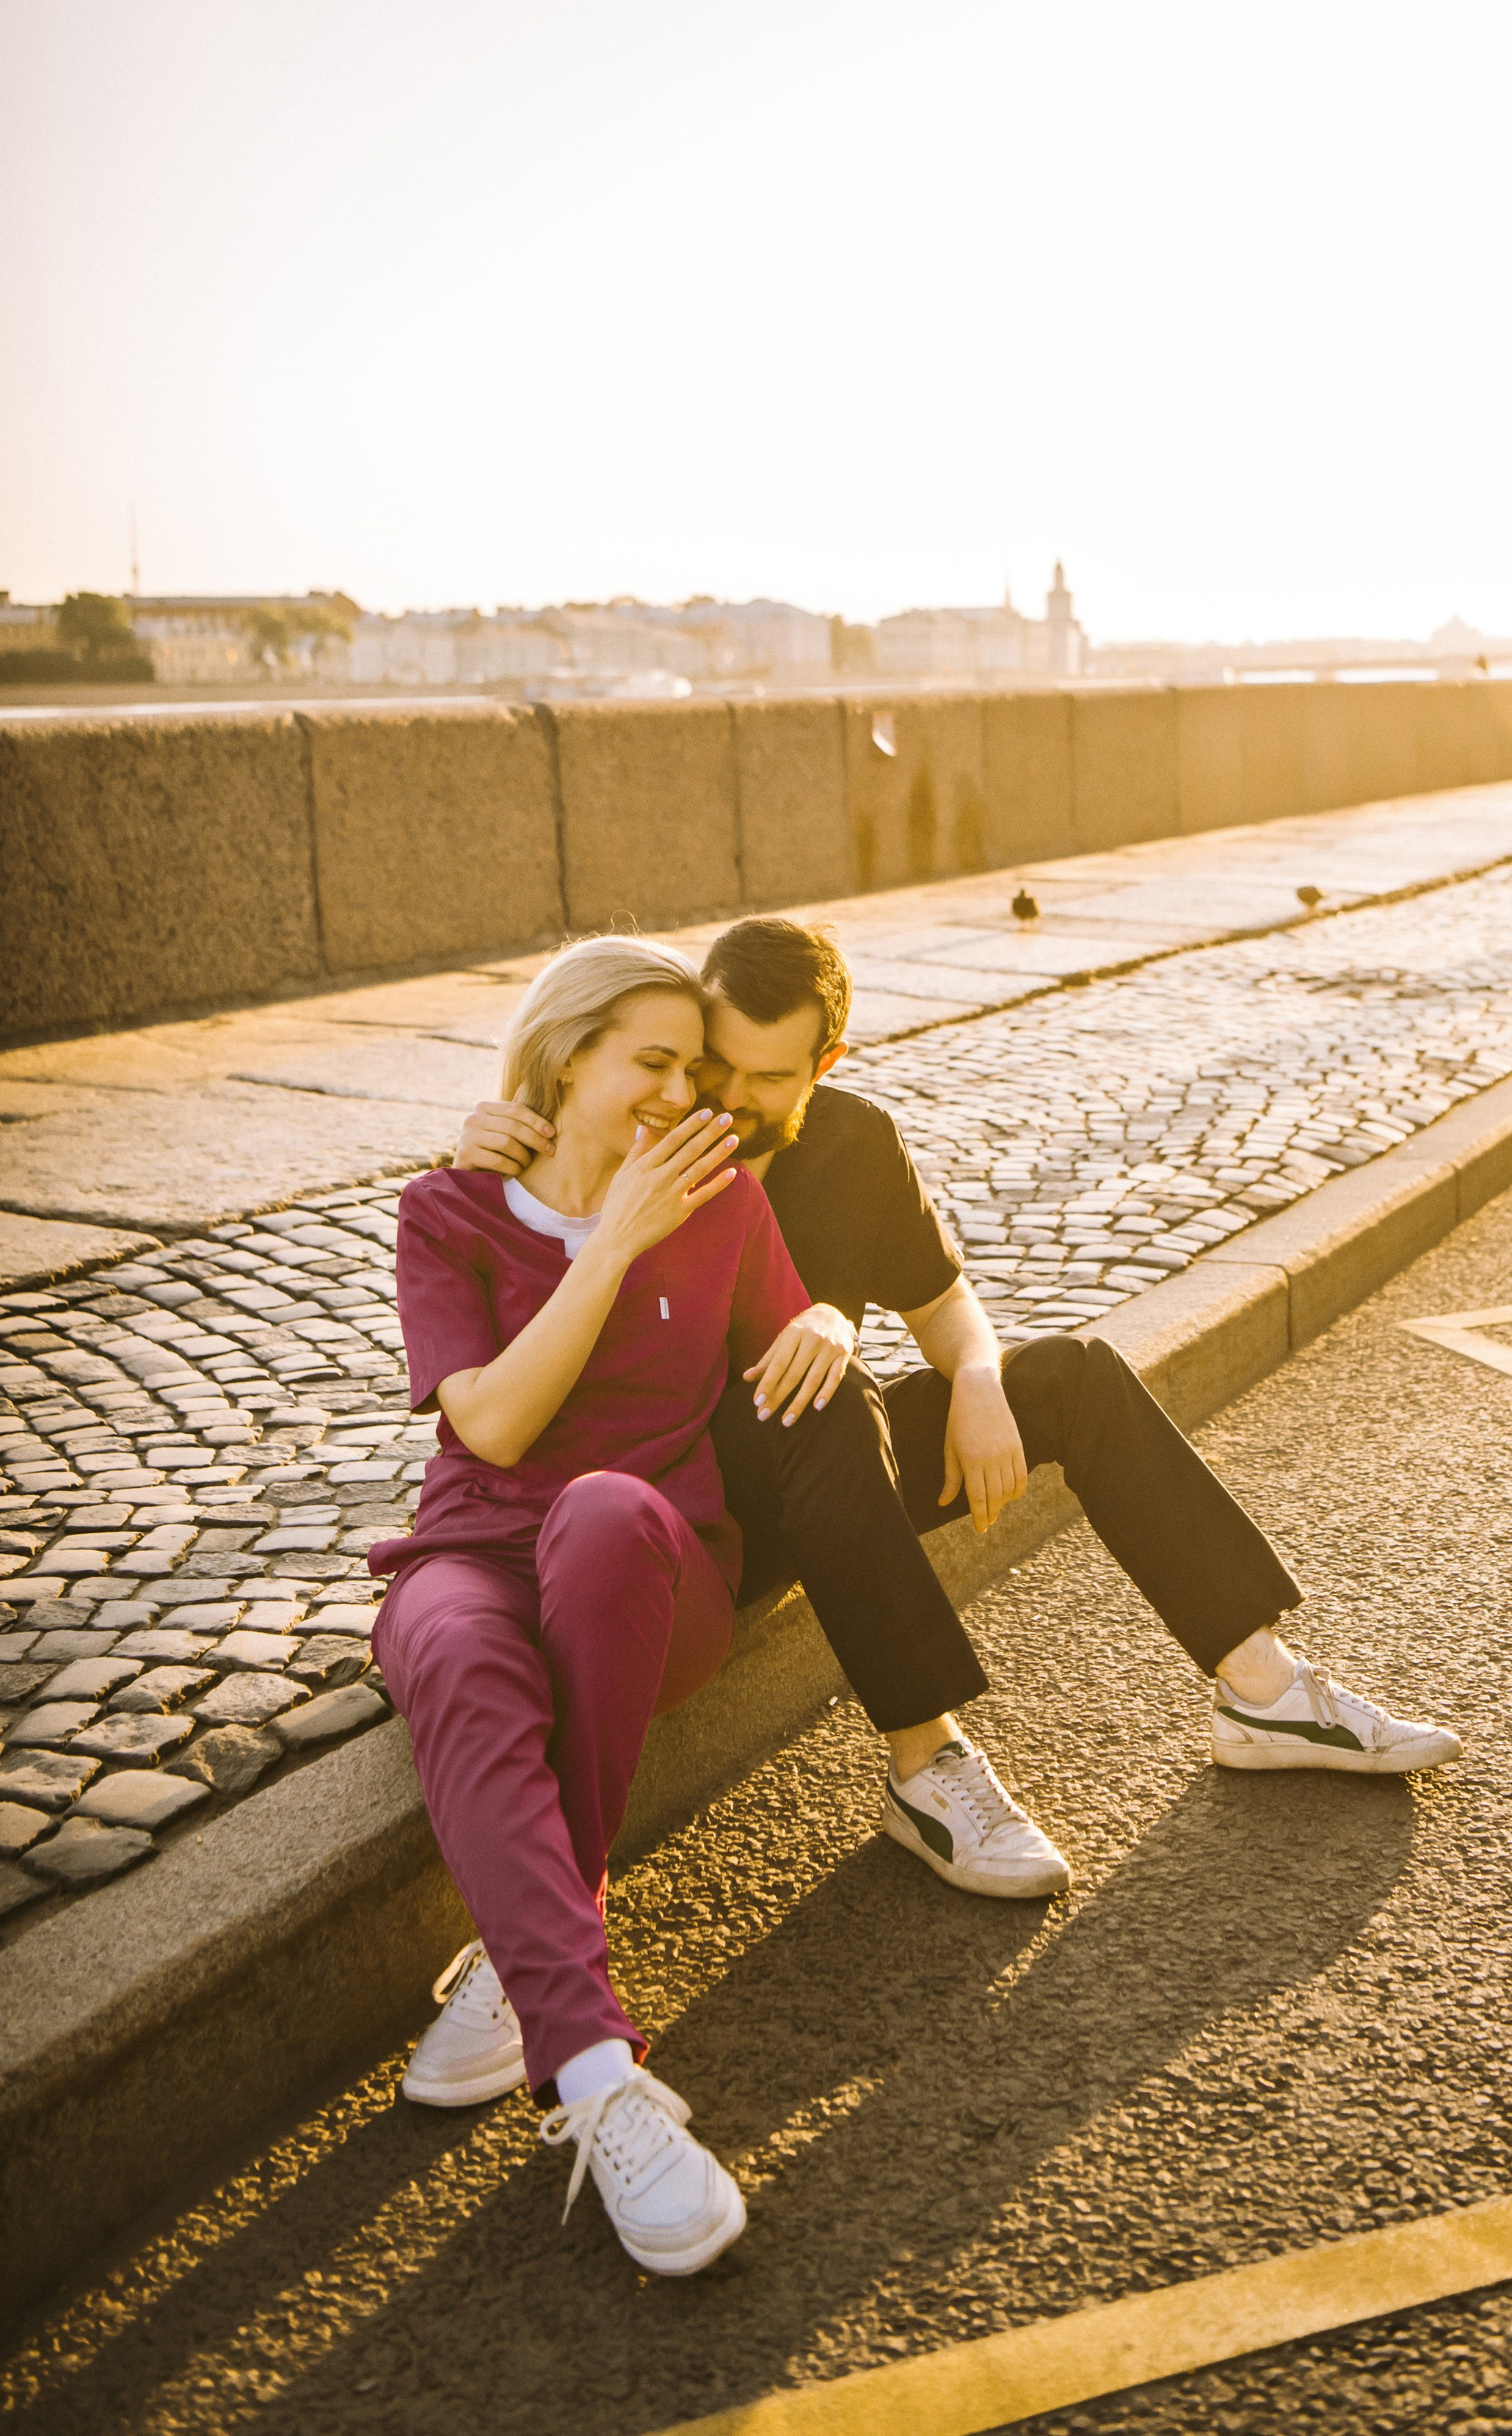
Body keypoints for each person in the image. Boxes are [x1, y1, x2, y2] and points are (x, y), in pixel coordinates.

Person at [453, 917, 1461, 1911]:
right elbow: (535, 1189)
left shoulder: (852, 1143)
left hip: (836, 1470)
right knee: (830, 1394)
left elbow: (943, 1305)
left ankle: (1263, 1690)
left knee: (1072, 1376)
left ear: (827, 1063)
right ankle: (926, 1763)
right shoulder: (650, 1135)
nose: (729, 1097)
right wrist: (486, 1139)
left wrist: (977, 1379)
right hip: (684, 1510)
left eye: (771, 1077)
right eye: (718, 1062)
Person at [374, 932, 862, 2279]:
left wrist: (834, 1323)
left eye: (690, 1068)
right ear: (565, 1056)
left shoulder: (721, 1200)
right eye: (653, 1062)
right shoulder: (449, 1211)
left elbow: (796, 1334)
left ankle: (529, 1947)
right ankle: (595, 2074)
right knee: (452, 1648)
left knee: (597, 1510)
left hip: (648, 1567)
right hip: (470, 1550)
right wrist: (612, 1241)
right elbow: (493, 1424)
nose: (680, 1093)